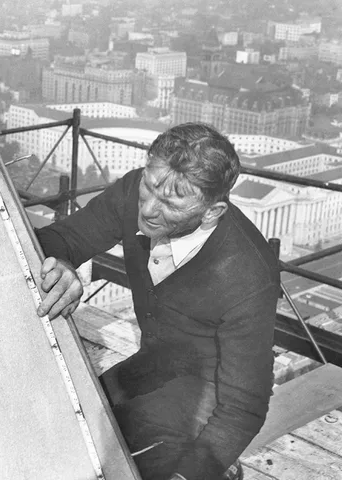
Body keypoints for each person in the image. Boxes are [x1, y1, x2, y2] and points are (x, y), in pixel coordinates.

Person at [35, 123, 280, 480]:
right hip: (153, 363)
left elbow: (244, 404)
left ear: (212, 213)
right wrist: (64, 264)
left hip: (210, 387)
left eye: (170, 204)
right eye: (149, 187)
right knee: (70, 419)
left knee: (102, 451)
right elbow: (59, 238)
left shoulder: (248, 274)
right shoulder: (135, 189)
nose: (148, 209)